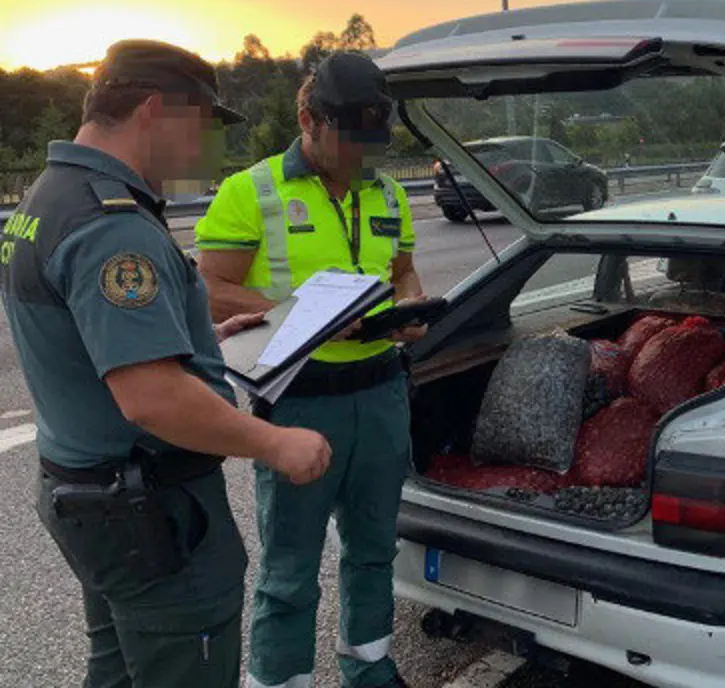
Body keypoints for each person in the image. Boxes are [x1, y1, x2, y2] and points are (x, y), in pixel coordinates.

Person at [0, 39, 332, 688]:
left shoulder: (48, 200)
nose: (205, 148)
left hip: (91, 498)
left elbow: (86, 334)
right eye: (203, 126)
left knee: (120, 669)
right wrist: (275, 444)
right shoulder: (110, 222)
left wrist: (198, 327)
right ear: (156, 110)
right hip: (151, 514)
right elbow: (152, 397)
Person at [195, 51, 427, 688]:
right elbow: (209, 287)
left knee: (375, 547)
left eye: (373, 142)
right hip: (299, 398)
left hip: (381, 391)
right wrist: (301, 315)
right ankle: (278, 680)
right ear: (308, 119)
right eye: (351, 141)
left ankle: (371, 666)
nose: (363, 156)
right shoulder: (253, 190)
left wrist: (409, 303)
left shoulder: (387, 189)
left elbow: (401, 270)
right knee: (291, 568)